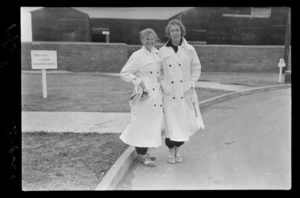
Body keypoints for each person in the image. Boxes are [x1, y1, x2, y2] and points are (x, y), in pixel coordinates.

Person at [159, 19, 205, 164]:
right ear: (168, 33)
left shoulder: (190, 49)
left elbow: (196, 68)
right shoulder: (162, 51)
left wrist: (191, 84)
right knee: (170, 124)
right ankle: (171, 150)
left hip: (184, 92)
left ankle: (178, 149)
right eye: (172, 30)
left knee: (182, 123)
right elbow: (158, 71)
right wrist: (163, 85)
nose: (175, 33)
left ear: (181, 31)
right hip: (169, 94)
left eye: (177, 30)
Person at [119, 28, 163, 167]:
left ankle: (144, 152)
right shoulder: (137, 55)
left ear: (155, 39)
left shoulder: (157, 54)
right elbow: (124, 73)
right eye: (146, 39)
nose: (149, 41)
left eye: (152, 38)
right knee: (141, 124)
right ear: (142, 40)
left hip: (156, 95)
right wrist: (138, 81)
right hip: (144, 95)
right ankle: (141, 154)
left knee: (152, 124)